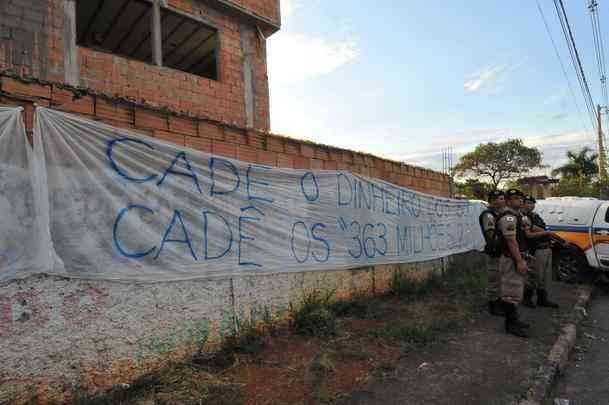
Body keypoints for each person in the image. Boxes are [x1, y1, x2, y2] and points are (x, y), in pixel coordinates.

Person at [497, 189, 530, 338]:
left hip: (516, 257)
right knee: (510, 292)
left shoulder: (517, 216)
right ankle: (510, 325)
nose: (520, 201)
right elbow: (511, 240)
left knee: (516, 291)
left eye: (521, 198)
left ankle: (515, 320)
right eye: (516, 198)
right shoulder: (508, 217)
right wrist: (519, 261)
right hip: (511, 259)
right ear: (509, 201)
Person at [521, 195, 559, 308]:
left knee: (545, 277)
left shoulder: (535, 216)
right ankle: (527, 299)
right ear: (523, 204)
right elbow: (529, 235)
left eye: (532, 203)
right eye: (528, 203)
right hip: (536, 250)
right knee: (534, 275)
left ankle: (542, 299)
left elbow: (543, 228)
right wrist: (547, 233)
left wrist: (548, 236)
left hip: (546, 248)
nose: (531, 205)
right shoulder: (523, 217)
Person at [479, 190, 506, 316]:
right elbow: (491, 234)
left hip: (500, 251)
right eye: (499, 198)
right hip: (493, 251)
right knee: (494, 280)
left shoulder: (498, 214)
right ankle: (493, 305)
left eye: (502, 198)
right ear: (492, 201)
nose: (502, 201)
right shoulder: (488, 215)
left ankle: (499, 302)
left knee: (500, 279)